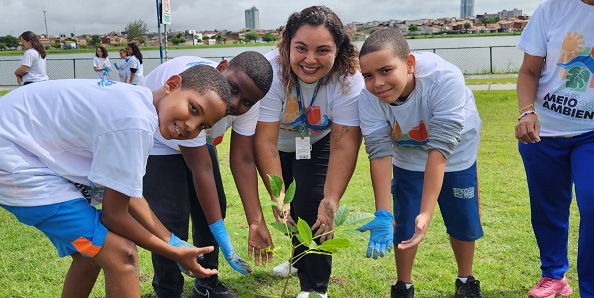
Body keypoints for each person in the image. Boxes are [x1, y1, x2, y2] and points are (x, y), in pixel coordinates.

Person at [0, 65, 233, 297]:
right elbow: (115, 216)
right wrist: (172, 252)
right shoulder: (135, 121)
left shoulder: (136, 101)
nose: (191, 127)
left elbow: (126, 194)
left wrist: (171, 240)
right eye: (193, 109)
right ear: (173, 84)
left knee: (90, 255)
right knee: (121, 254)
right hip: (5, 160)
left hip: (2, 148)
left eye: (202, 126)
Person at [356, 28, 483, 298]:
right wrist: (382, 213)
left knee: (462, 220)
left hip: (455, 153)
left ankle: (466, 281)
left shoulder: (444, 78)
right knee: (403, 224)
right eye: (368, 75)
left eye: (386, 71)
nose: (377, 83)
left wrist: (426, 213)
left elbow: (440, 147)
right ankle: (403, 286)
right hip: (408, 156)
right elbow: (378, 152)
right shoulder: (367, 97)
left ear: (410, 64)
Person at [140, 51, 274, 298]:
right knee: (171, 218)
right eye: (233, 89)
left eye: (246, 102)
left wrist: (255, 221)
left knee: (213, 208)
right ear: (222, 68)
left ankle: (207, 284)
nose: (235, 104)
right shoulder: (200, 93)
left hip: (197, 138)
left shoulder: (248, 102)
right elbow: (201, 168)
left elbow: (243, 160)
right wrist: (223, 236)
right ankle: (168, 290)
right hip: (160, 137)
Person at [254, 6, 364, 298]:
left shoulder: (348, 78)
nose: (310, 60)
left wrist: (332, 197)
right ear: (288, 43)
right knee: (288, 207)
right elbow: (263, 142)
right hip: (277, 146)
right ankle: (295, 260)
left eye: (322, 50)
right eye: (301, 48)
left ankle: (315, 287)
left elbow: (345, 143)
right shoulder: (272, 72)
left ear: (338, 49)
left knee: (314, 202)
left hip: (320, 143)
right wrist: (277, 197)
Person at [515, 0, 594, 297]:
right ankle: (554, 275)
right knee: (548, 208)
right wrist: (527, 112)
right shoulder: (551, 9)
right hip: (543, 132)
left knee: (593, 203)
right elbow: (529, 72)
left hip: (590, 134)